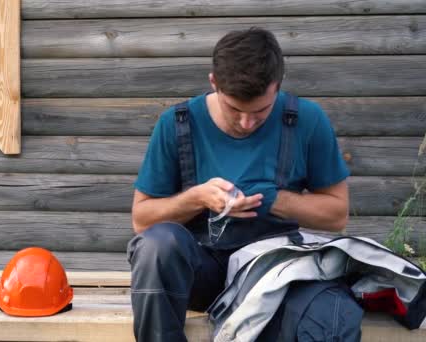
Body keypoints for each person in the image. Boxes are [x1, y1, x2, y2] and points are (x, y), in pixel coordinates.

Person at [127, 27, 350, 342]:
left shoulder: (307, 119)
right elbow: (142, 219)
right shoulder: (176, 123)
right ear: (214, 83)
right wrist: (197, 198)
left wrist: (272, 199)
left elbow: (337, 214)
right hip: (199, 275)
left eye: (260, 111)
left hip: (274, 272)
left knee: (329, 314)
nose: (247, 123)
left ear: (277, 86)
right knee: (157, 244)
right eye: (235, 109)